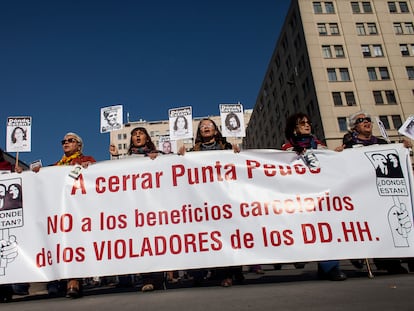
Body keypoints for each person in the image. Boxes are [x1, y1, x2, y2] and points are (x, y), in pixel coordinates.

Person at [336, 111, 412, 274]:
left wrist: (403, 147)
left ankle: (405, 257)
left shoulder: (383, 143)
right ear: (354, 126)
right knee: (376, 225)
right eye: (361, 120)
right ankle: (386, 261)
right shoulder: (349, 146)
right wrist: (337, 155)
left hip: (385, 192)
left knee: (395, 224)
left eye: (368, 120)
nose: (366, 122)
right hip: (363, 194)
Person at [282, 112, 347, 281]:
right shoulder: (286, 149)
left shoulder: (321, 147)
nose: (307, 125)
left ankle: (330, 267)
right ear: (294, 128)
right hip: (301, 197)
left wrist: (337, 155)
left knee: (326, 229)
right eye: (302, 123)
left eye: (308, 122)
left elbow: (330, 165)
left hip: (323, 195)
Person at [178, 118, 242, 287]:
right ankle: (200, 273)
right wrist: (181, 158)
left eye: (209, 126)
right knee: (204, 236)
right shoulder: (192, 152)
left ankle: (228, 273)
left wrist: (238, 154)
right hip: (203, 202)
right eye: (202, 126)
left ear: (216, 130)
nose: (205, 128)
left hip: (224, 200)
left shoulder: (227, 148)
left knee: (226, 236)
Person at [110, 127, 165, 292]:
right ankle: (147, 278)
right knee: (143, 244)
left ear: (147, 138)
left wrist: (158, 160)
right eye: (134, 134)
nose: (137, 136)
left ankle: (159, 277)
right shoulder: (126, 158)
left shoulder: (159, 155)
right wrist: (114, 157)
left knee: (157, 242)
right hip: (135, 208)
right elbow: (115, 175)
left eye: (140, 133)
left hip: (155, 206)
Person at [42, 132, 96, 298]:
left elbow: (97, 178)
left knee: (74, 244)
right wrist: (34, 173)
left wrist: (91, 168)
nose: (66, 143)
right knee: (58, 245)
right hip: (58, 211)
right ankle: (55, 282)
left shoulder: (88, 160)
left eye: (70, 140)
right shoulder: (55, 166)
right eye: (63, 141)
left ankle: (74, 282)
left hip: (77, 210)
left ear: (79, 145)